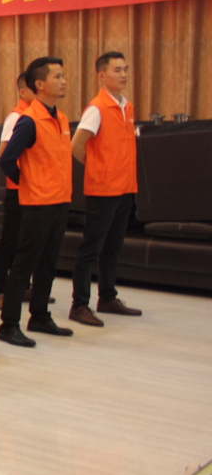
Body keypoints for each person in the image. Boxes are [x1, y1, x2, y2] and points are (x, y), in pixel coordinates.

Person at [0, 57, 75, 346]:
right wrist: (27, 182)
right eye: (58, 76)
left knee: (49, 263)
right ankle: (8, 325)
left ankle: (40, 316)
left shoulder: (61, 117)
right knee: (24, 264)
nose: (63, 81)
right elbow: (6, 158)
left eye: (63, 76)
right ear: (40, 84)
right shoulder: (29, 120)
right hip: (37, 203)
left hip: (60, 200)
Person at [68, 51, 143, 325]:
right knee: (91, 248)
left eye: (125, 69)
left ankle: (108, 297)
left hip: (125, 187)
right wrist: (98, 168)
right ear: (102, 75)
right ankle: (79, 305)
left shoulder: (126, 106)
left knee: (113, 246)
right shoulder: (96, 109)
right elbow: (76, 145)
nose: (123, 75)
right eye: (117, 70)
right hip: (103, 189)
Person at [0, 72, 37, 310]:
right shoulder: (17, 117)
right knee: (10, 240)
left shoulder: (38, 116)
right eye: (34, 89)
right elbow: (2, 155)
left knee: (26, 241)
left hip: (36, 191)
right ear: (23, 92)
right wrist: (21, 179)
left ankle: (22, 286)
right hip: (17, 190)